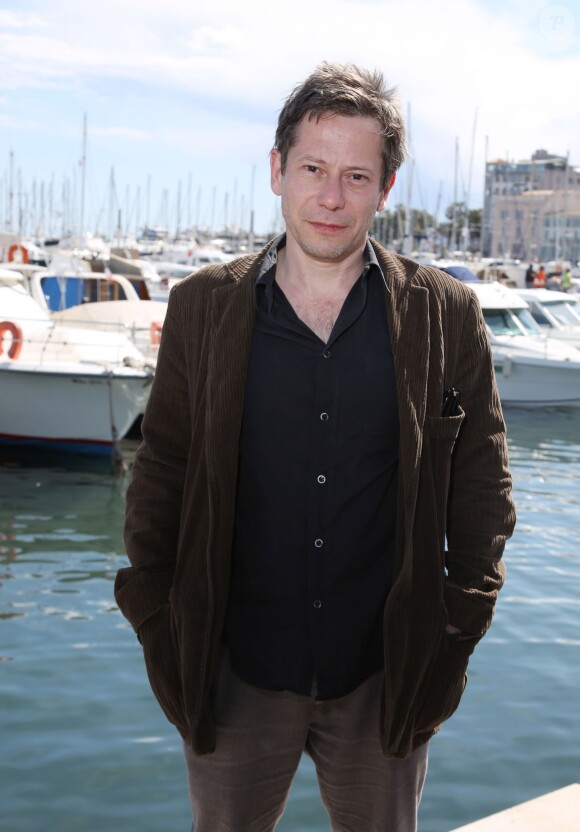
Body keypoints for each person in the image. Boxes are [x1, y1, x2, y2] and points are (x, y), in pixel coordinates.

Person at [115, 61, 516, 832]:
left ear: (385, 190)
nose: (331, 197)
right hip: (233, 671)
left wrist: (456, 628)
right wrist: (157, 615)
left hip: (385, 675)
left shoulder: (446, 315)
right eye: (314, 169)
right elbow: (161, 470)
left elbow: (482, 488)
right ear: (277, 169)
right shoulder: (202, 306)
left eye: (356, 175)